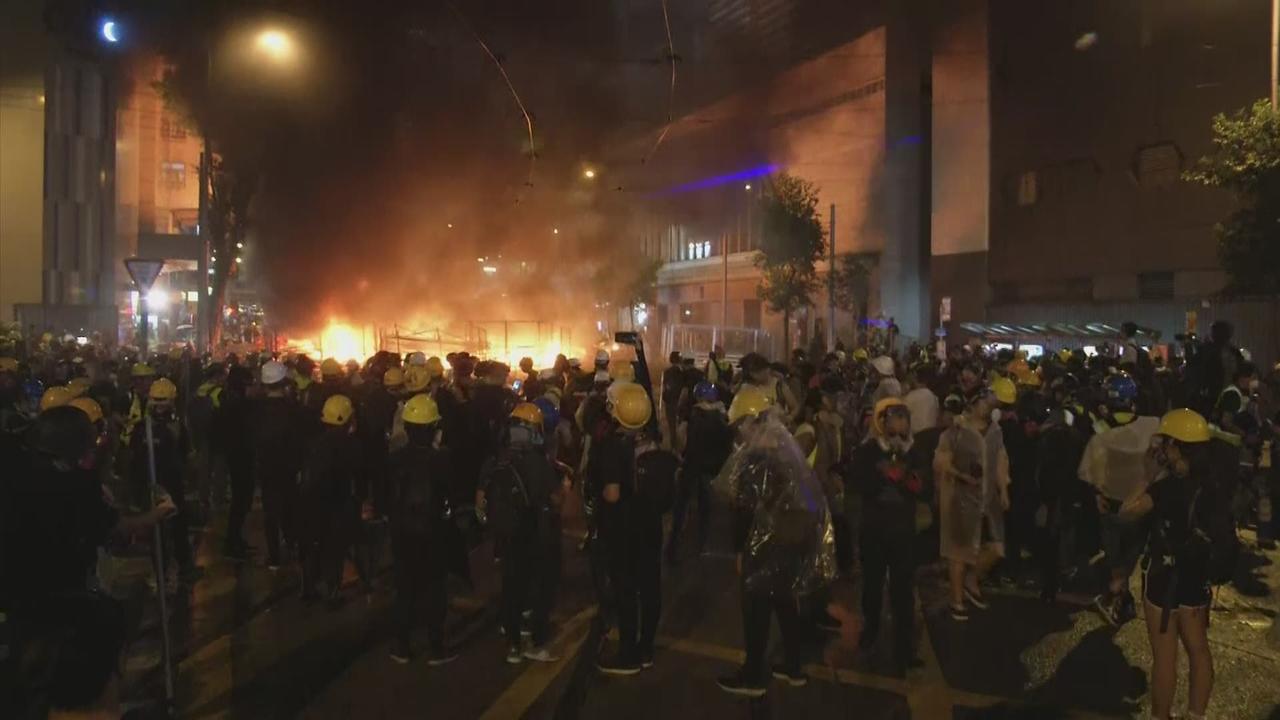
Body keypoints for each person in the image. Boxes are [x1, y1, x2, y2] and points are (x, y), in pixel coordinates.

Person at [717, 385, 837, 697]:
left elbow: (743, 511)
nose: (738, 432)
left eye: (739, 425)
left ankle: (754, 676)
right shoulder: (789, 449)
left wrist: (740, 553)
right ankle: (793, 667)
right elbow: (811, 498)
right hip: (792, 543)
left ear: (748, 422)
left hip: (764, 547)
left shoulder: (754, 460)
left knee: (755, 610)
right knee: (785, 603)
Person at [1119, 409, 1223, 720]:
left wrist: (1148, 475)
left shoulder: (1166, 489)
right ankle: (1195, 715)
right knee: (1199, 650)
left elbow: (1126, 512)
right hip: (1197, 579)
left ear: (1176, 446)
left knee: (1165, 657)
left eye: (1167, 443)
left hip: (1164, 580)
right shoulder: (1213, 486)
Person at [477, 402, 563, 664]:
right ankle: (535, 642)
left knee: (511, 585)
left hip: (507, 535)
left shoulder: (494, 461)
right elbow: (556, 500)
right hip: (536, 534)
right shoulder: (540, 464)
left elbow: (481, 501)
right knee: (540, 587)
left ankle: (513, 644)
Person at [594, 383, 668, 675]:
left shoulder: (614, 446)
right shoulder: (653, 440)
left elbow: (612, 494)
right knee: (651, 588)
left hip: (624, 528)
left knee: (626, 590)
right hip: (651, 525)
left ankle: (627, 654)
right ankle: (646, 648)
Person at [850, 398, 927, 669]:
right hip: (874, 531)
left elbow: (924, 488)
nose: (896, 438)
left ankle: (904, 648)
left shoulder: (914, 453)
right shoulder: (869, 451)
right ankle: (870, 631)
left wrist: (905, 477)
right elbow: (857, 483)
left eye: (901, 433)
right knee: (871, 587)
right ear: (882, 427)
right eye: (891, 432)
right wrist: (880, 475)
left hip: (903, 533)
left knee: (903, 592)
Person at [386, 393, 460, 666]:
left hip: (401, 533)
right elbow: (451, 495)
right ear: (433, 428)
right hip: (432, 533)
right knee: (434, 590)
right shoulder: (442, 459)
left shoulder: (394, 458)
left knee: (404, 589)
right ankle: (436, 648)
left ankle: (401, 646)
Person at [1079, 373, 1158, 625]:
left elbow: (1090, 473)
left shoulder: (1100, 434)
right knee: (1130, 555)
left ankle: (1116, 596)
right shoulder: (1151, 426)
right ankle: (1120, 598)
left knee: (1114, 557)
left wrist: (1096, 494)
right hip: (1141, 506)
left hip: (1111, 505)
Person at [934, 391, 1010, 621]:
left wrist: (1004, 490)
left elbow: (1000, 460)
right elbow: (941, 462)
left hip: (988, 499)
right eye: (986, 403)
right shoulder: (956, 432)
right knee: (958, 553)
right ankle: (956, 600)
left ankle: (971, 579)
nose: (990, 407)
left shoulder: (996, 431)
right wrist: (962, 477)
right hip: (961, 498)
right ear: (975, 404)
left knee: (996, 549)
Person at [129, 377, 197, 584]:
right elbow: (187, 457)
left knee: (162, 530)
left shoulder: (141, 427)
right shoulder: (172, 428)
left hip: (150, 485)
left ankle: (164, 571)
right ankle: (176, 568)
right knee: (174, 527)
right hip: (166, 485)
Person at [299, 394, 363, 606]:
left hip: (311, 504)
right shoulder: (350, 445)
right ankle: (332, 591)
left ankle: (308, 587)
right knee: (335, 550)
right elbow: (357, 475)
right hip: (338, 505)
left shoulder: (315, 442)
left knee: (314, 546)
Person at [667, 381, 730, 563]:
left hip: (691, 466)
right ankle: (702, 547)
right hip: (711, 469)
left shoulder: (691, 416)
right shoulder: (722, 417)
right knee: (705, 509)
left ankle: (673, 549)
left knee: (681, 508)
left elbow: (681, 443)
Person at [251, 361, 306, 570]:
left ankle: (274, 557)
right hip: (290, 468)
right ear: (284, 383)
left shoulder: (256, 410)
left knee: (271, 513)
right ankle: (294, 546)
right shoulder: (294, 409)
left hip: (267, 469)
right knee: (292, 508)